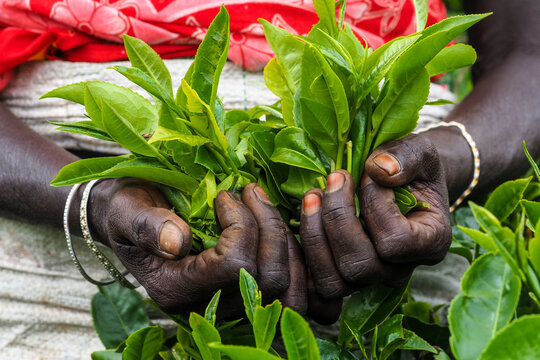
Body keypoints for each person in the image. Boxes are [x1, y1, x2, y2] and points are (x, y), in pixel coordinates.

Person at [0, 0, 538, 358]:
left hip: (402, 237)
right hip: (46, 213)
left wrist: (442, 163)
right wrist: (92, 202)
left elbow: (530, 52)